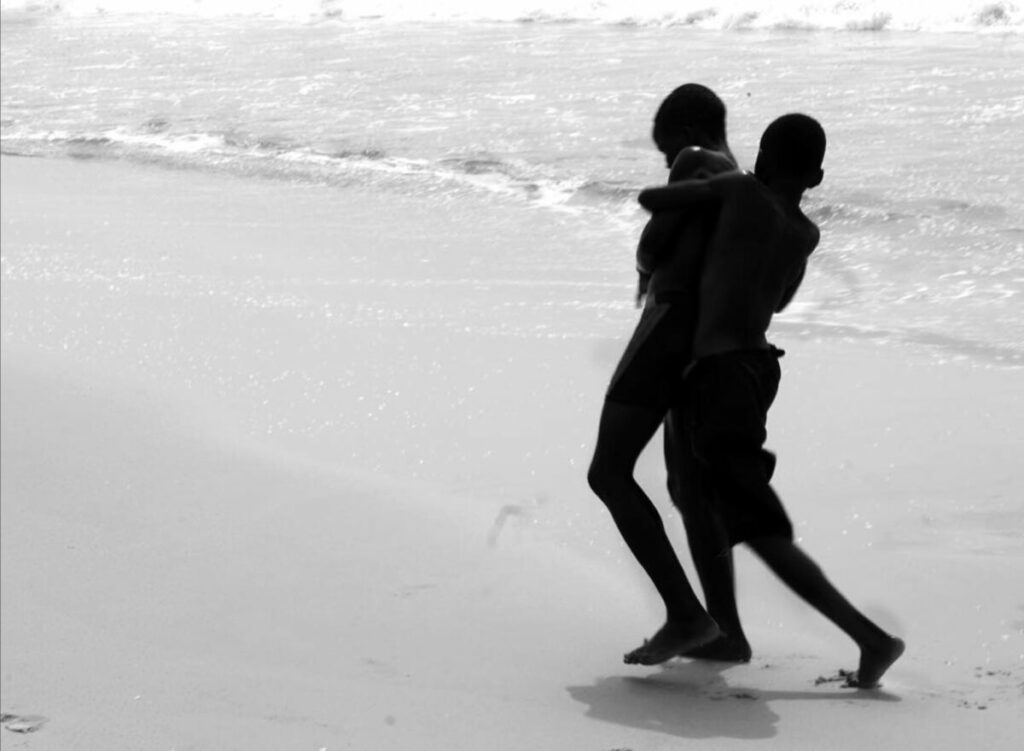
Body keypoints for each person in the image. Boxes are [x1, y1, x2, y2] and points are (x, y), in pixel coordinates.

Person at [629, 113, 905, 687]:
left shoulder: (739, 191)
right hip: (756, 370)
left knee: (756, 526)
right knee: (691, 493)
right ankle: (725, 631)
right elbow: (779, 300)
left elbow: (652, 197)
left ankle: (871, 638)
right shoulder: (806, 233)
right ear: (818, 177)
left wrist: (698, 179)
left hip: (719, 374)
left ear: (759, 156)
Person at [587, 83, 738, 663]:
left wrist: (642, 266)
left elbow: (655, 245)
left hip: (669, 325)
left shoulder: (696, 162)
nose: (667, 162)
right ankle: (726, 632)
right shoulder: (737, 177)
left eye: (665, 149)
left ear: (689, 134)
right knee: (689, 490)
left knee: (609, 472)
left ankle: (684, 614)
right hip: (708, 338)